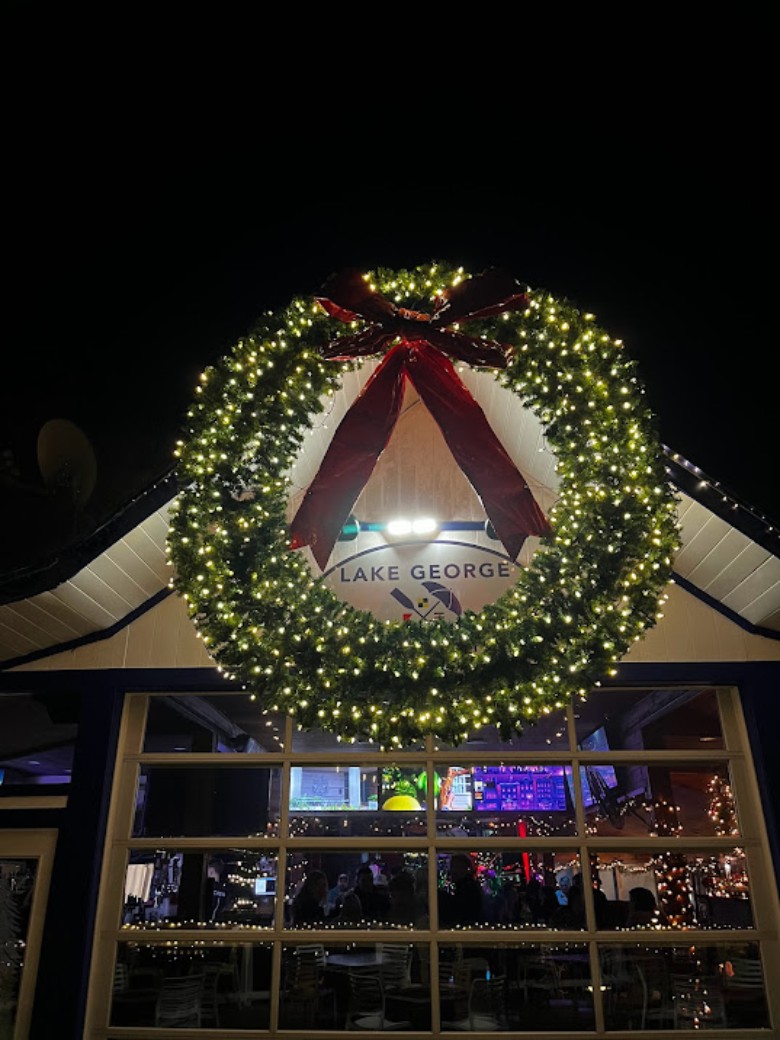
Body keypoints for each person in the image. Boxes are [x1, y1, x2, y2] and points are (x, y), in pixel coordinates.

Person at [439, 852, 483, 927]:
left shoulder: (468, 888)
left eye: (455, 867)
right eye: (452, 867)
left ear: (464, 869)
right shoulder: (466, 886)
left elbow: (459, 911)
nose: (452, 871)